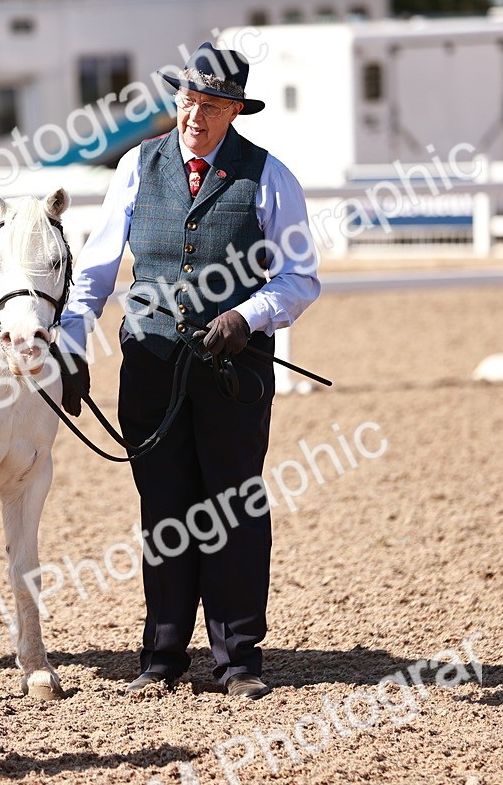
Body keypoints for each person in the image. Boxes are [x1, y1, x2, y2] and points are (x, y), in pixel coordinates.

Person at [56, 43, 320, 699]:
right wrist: (70, 342)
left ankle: (238, 662)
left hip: (234, 371)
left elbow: (300, 277)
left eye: (210, 106)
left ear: (235, 111)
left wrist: (248, 316)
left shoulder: (269, 176)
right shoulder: (136, 168)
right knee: (164, 510)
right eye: (187, 101)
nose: (194, 116)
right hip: (149, 365)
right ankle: (162, 657)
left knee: (233, 505)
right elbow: (94, 270)